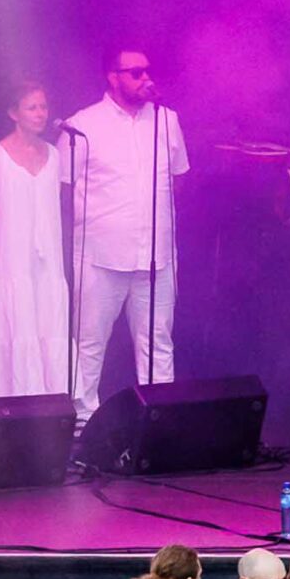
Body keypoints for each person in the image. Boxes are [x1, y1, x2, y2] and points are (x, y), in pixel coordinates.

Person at [66, 49, 187, 429]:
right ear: (112, 77)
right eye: (135, 72)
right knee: (89, 343)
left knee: (158, 342)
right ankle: (83, 422)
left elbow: (177, 178)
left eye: (148, 71)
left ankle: (157, 419)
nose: (145, 78)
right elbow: (64, 187)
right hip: (101, 254)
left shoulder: (167, 121)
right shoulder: (83, 124)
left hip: (156, 254)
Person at [0, 82, 70, 399]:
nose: (41, 113)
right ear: (14, 113)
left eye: (43, 106)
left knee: (45, 325)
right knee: (14, 326)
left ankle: (51, 400)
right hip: (10, 266)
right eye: (32, 107)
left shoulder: (55, 155)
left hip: (45, 266)